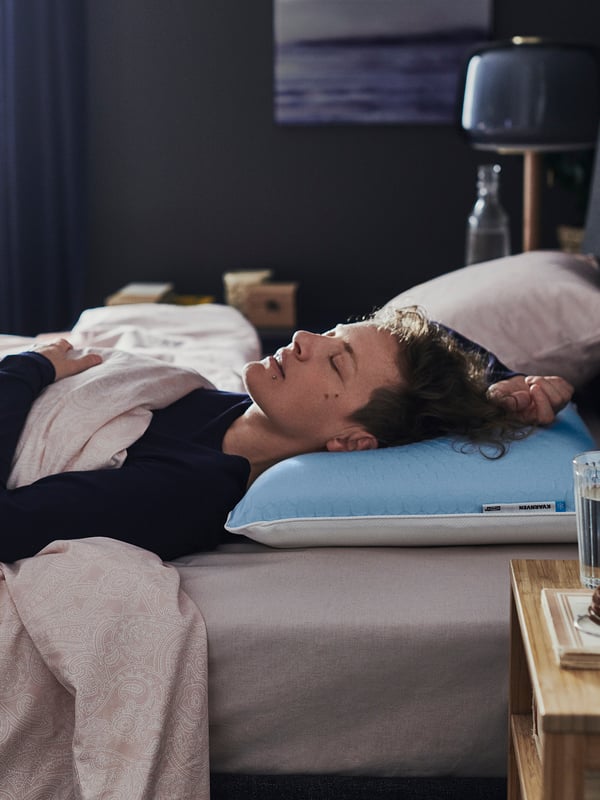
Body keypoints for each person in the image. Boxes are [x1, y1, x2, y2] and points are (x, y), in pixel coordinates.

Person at [0, 306, 573, 563]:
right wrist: (498, 385)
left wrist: (29, 369)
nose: (304, 338)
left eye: (336, 363)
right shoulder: (223, 413)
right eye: (330, 334)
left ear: (352, 441)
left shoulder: (185, 490)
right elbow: (435, 340)